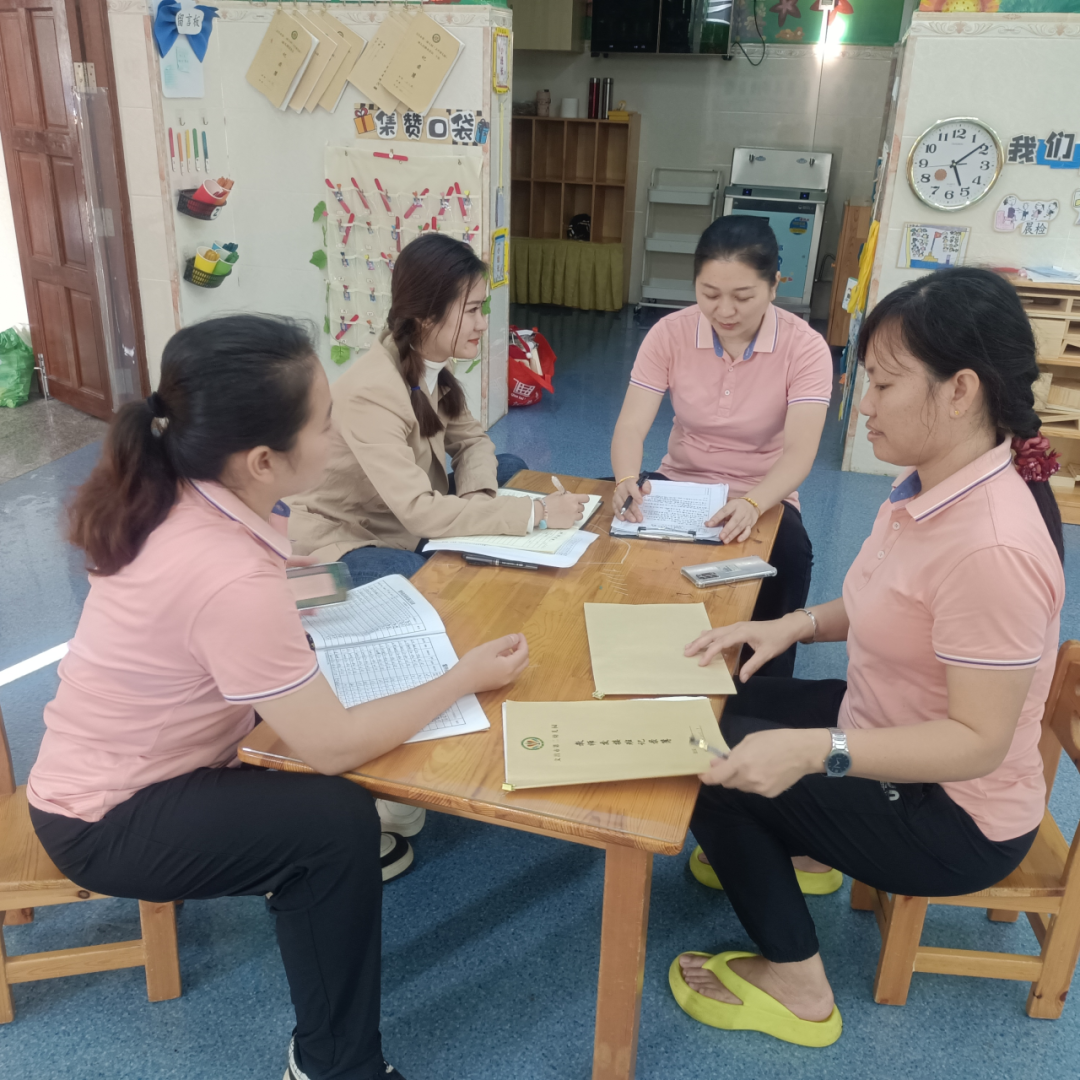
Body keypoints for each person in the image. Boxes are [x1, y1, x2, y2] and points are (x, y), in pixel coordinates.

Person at [26, 315, 530, 1080]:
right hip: (107, 817)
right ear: (263, 460)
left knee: (337, 678)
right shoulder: (225, 572)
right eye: (323, 424)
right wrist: (461, 677)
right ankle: (334, 1065)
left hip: (128, 763)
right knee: (332, 824)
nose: (334, 436)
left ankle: (304, 892)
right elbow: (330, 745)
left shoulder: (182, 489)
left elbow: (239, 596)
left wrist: (319, 592)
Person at [667, 267, 1065, 1048]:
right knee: (707, 710)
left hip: (954, 818)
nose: (864, 404)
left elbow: (977, 743)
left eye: (883, 384)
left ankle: (800, 987)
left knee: (706, 767)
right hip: (884, 725)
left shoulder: (994, 548)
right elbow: (891, 602)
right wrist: (793, 627)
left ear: (961, 391)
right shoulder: (932, 481)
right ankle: (803, 847)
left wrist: (815, 752)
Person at [288, 233, 587, 590]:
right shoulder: (372, 392)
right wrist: (539, 513)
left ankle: (475, 550)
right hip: (347, 532)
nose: (482, 323)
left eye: (481, 309)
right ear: (427, 316)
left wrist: (478, 501)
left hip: (397, 513)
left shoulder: (431, 362)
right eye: (472, 310)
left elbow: (472, 442)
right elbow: (418, 511)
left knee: (508, 466)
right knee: (412, 574)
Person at [609, 216, 833, 677]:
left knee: (789, 554)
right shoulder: (669, 333)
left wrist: (752, 503)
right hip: (681, 480)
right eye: (709, 294)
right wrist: (627, 478)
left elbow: (799, 453)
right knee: (611, 528)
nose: (724, 310)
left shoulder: (805, 348)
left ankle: (763, 680)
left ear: (774, 285)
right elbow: (630, 426)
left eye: (743, 296)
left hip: (764, 492)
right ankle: (637, 659)